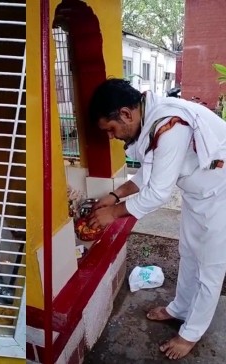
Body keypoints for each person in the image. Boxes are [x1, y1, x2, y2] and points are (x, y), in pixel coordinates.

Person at [87, 78, 226, 360]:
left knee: (209, 266)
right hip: (200, 191)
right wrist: (115, 196)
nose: (112, 137)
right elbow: (149, 174)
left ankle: (192, 332)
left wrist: (112, 214)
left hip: (221, 191)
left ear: (126, 114)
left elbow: (158, 193)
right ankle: (180, 309)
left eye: (111, 130)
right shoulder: (152, 120)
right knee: (189, 253)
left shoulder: (169, 125)